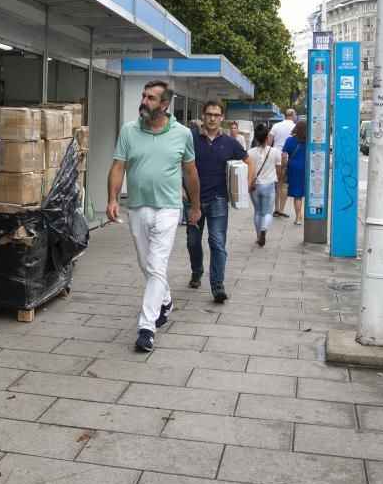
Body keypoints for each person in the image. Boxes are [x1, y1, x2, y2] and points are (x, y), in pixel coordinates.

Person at [107, 80, 201, 352]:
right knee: (146, 263)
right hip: (137, 205)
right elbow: (118, 166)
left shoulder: (182, 134)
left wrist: (195, 206)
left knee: (157, 264)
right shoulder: (129, 131)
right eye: (144, 96)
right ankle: (166, 299)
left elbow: (190, 172)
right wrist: (113, 198)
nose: (145, 101)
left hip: (169, 207)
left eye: (151, 98)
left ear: (164, 104)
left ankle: (146, 327)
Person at [184, 100, 252, 303]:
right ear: (203, 116)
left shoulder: (231, 143)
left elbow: (249, 162)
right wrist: (180, 187)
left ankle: (217, 286)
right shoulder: (191, 139)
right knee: (192, 241)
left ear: (222, 117)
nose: (212, 118)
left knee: (217, 242)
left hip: (218, 199)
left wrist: (245, 188)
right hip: (192, 200)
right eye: (208, 114)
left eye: (216, 115)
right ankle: (197, 271)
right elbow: (176, 162)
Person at [247, 122, 283, 246]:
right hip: (269, 185)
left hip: (254, 186)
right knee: (267, 211)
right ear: (267, 137)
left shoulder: (250, 152)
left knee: (257, 211)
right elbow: (278, 169)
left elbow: (247, 169)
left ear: (256, 138)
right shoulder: (275, 152)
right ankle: (264, 230)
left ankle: (258, 236)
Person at [269, 109, 297, 217]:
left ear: (285, 115)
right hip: (288, 157)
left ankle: (275, 209)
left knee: (276, 184)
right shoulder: (295, 127)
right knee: (284, 185)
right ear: (293, 115)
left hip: (275, 156)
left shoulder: (276, 126)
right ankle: (281, 209)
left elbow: (269, 142)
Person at [282, 120, 308, 225]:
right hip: (307, 167)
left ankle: (298, 217)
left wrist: (283, 165)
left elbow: (283, 155)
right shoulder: (310, 141)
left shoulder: (289, 140)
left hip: (293, 168)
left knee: (298, 195)